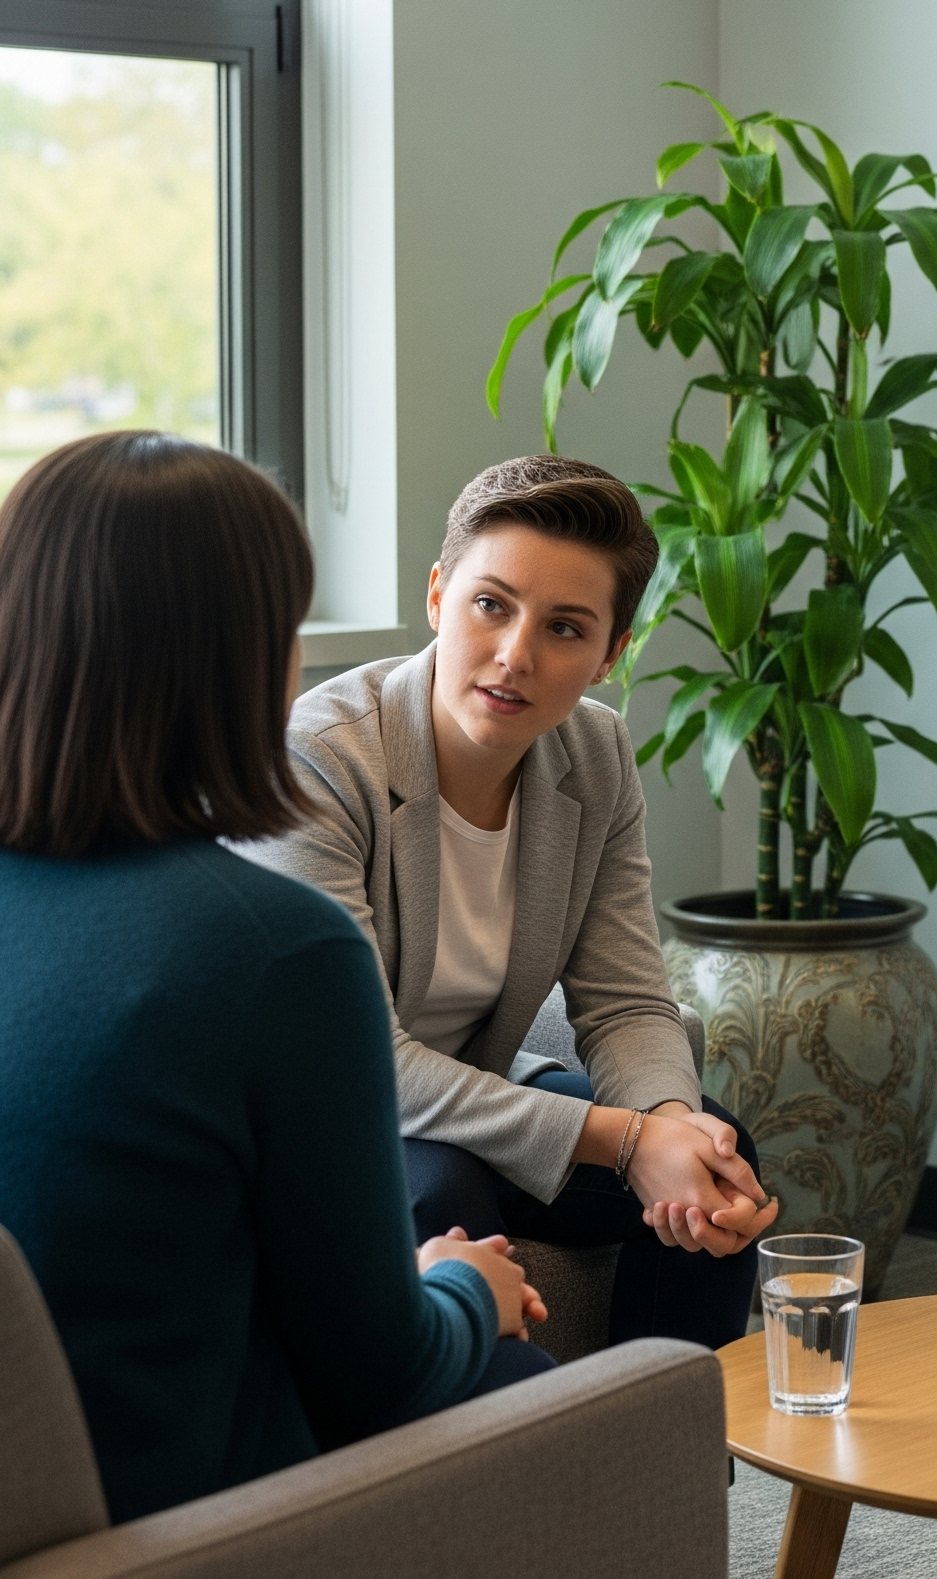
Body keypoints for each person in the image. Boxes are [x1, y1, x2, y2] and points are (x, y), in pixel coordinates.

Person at [0, 432, 550, 1525]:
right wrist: (462, 1287)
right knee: (574, 1405)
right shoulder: (273, 948)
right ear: (241, 664)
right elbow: (380, 1377)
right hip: (160, 1529)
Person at [246, 454, 778, 1352]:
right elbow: (357, 1060)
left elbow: (626, 1000)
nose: (515, 655)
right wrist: (621, 1136)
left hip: (471, 1095)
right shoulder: (322, 761)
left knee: (720, 1155)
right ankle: (488, 1480)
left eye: (566, 627)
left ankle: (670, 1475)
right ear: (437, 596)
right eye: (490, 604)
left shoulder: (595, 755)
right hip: (310, 1121)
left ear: (612, 655)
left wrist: (673, 1130)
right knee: (437, 1191)